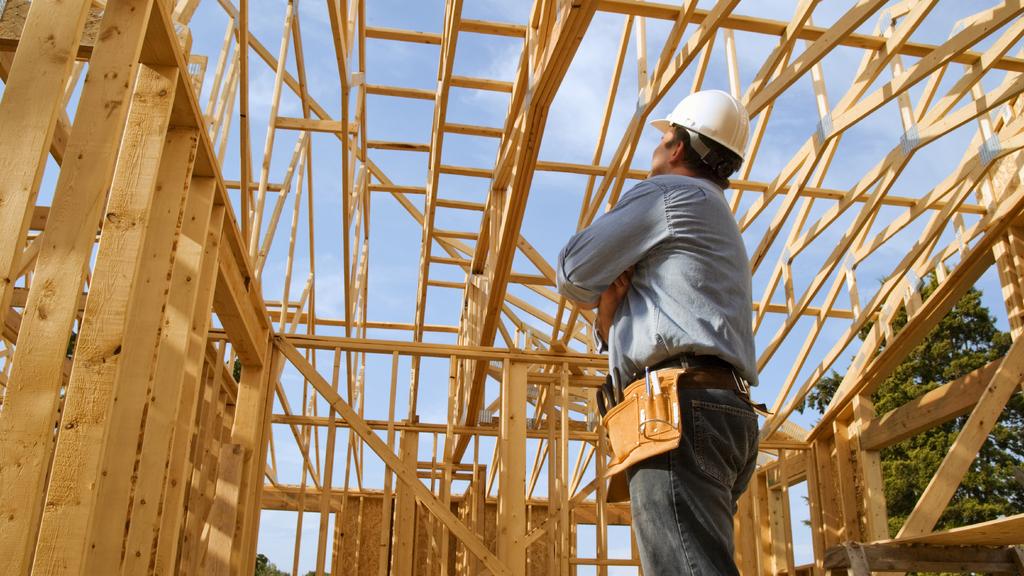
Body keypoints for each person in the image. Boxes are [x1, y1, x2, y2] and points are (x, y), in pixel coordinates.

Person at [555, 90, 760, 575]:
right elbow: (652, 312)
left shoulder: (667, 194)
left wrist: (601, 290)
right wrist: (610, 311)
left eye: (664, 136)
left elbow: (573, 272)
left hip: (677, 411)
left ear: (679, 149)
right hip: (721, 409)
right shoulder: (715, 214)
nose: (657, 147)